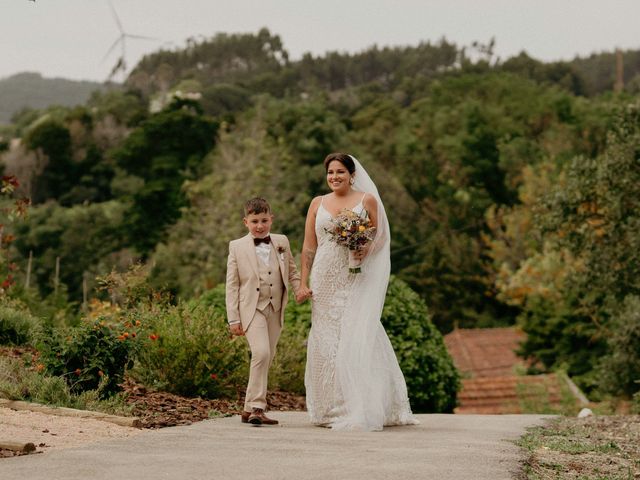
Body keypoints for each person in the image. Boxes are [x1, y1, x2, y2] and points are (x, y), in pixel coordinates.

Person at [299, 153, 418, 431]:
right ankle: (327, 408)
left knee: (358, 333)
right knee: (326, 339)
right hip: (324, 279)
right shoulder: (317, 203)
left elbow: (381, 236)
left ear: (351, 174)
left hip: (355, 276)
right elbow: (308, 246)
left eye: (340, 172)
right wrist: (303, 282)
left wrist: (365, 249)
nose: (334, 177)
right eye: (330, 172)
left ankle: (361, 404)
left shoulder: (367, 200)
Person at [226, 197, 303, 426]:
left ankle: (248, 408)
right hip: (251, 309)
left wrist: (300, 290)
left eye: (264, 220)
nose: (260, 226)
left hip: (276, 307)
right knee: (261, 353)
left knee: (266, 358)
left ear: (272, 219)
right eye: (255, 221)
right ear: (246, 222)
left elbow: (292, 272)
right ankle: (258, 407)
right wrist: (233, 319)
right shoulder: (236, 246)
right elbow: (232, 285)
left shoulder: (281, 241)